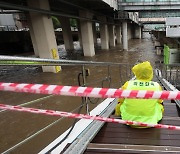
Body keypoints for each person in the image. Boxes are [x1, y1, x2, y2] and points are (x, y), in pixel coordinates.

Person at [115, 61, 164, 128]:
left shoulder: (128, 84)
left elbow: (121, 99)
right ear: (151, 73)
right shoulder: (156, 86)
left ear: (137, 73)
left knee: (122, 104)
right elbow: (160, 101)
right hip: (150, 121)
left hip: (129, 120)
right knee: (159, 105)